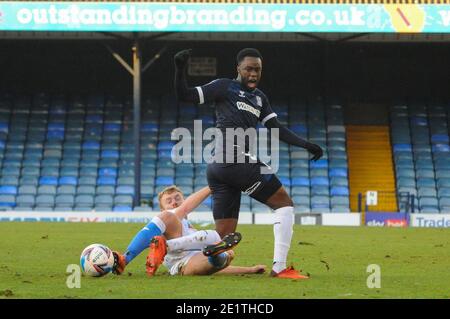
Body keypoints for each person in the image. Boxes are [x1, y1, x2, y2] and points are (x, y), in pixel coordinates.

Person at [174, 48, 323, 279]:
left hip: (219, 168)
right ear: (238, 69)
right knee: (284, 203)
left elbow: (276, 130)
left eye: (258, 69)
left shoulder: (260, 98)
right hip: (232, 158)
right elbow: (185, 95)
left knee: (223, 236)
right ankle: (280, 267)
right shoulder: (224, 86)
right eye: (249, 69)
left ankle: (169, 246)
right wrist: (179, 68)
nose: (253, 74)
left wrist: (306, 144)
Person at [112, 185, 266, 276]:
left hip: (196, 259)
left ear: (183, 199)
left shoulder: (191, 227)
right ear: (161, 207)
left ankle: (216, 253)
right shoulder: (169, 218)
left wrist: (250, 270)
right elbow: (181, 210)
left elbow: (217, 271)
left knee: (224, 256)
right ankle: (125, 259)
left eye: (177, 198)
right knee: (169, 217)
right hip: (180, 265)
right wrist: (214, 185)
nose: (174, 202)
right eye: (169, 200)